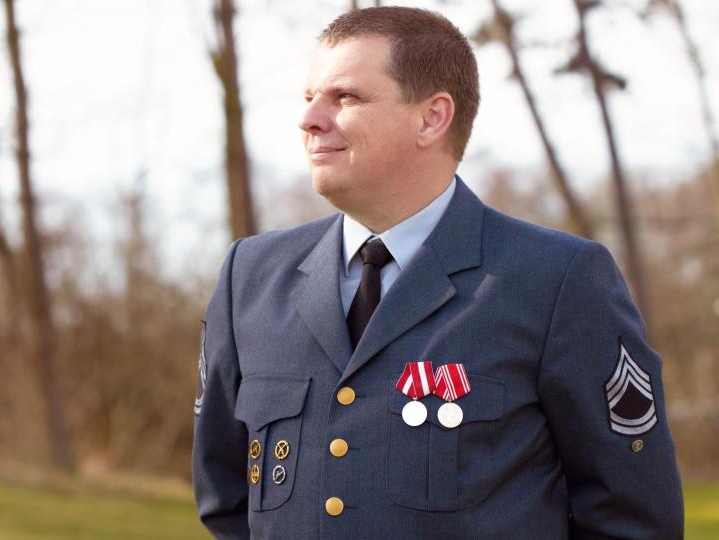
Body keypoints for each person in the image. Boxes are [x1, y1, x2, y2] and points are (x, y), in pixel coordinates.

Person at [191, 6, 683, 539]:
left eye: (346, 97)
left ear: (432, 117)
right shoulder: (251, 278)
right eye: (309, 98)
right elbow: (226, 502)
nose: (310, 119)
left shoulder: (557, 281)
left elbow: (634, 520)